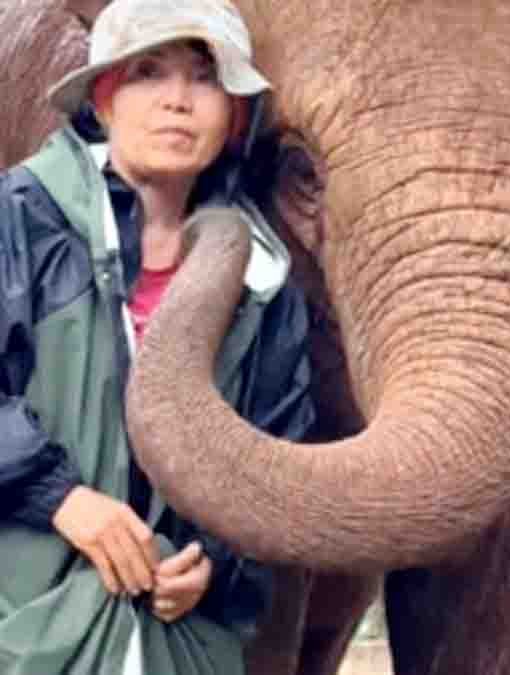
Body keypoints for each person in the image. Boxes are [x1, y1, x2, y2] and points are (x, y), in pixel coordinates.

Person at [0, 1, 314, 673]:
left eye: (204, 78)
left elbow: (277, 462)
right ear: (105, 100)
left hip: (186, 649)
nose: (177, 100)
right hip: (25, 636)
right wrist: (64, 499)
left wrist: (215, 568)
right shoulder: (21, 220)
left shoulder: (266, 284)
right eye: (148, 73)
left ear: (233, 118)